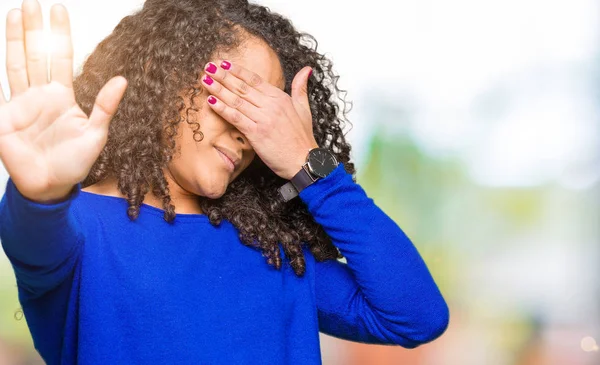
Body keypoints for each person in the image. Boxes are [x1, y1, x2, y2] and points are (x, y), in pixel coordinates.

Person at [0, 0, 449, 364]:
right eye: (237, 98)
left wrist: (311, 167)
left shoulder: (274, 248)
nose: (247, 131)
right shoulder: (77, 227)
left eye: (267, 116)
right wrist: (40, 192)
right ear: (167, 77)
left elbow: (415, 316)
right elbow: (33, 240)